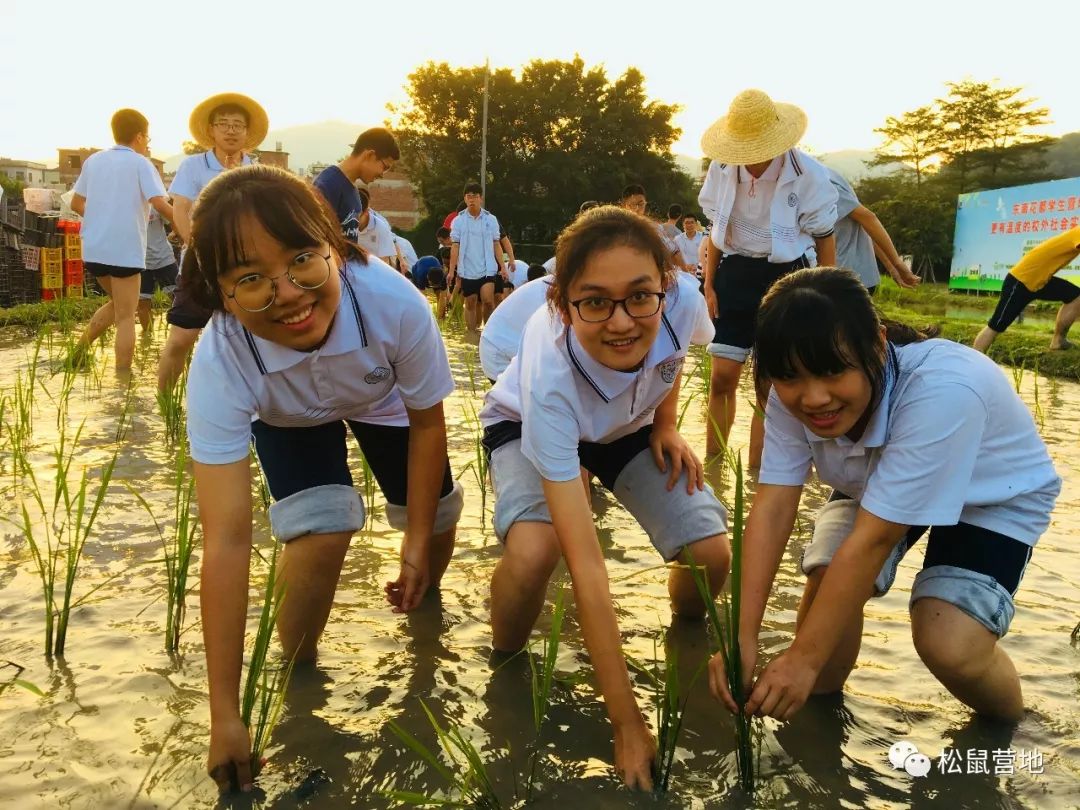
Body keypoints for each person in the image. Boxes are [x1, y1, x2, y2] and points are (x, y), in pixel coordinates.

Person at [183, 165, 463, 792]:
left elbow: (426, 425)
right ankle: (300, 669)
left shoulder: (394, 304)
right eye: (250, 279)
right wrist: (224, 715)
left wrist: (414, 541)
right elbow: (226, 543)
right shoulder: (223, 357)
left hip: (383, 400)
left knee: (438, 516)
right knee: (322, 526)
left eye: (302, 260)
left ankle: (426, 598)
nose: (286, 293)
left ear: (334, 246)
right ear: (221, 293)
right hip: (288, 413)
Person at [708, 267, 1060, 726]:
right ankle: (819, 721)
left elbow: (875, 539)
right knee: (824, 586)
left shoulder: (943, 392)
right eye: (790, 376)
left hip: (992, 494)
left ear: (876, 343)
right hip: (876, 480)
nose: (814, 399)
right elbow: (773, 506)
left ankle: (1014, 730)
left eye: (834, 370)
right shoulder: (787, 395)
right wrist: (742, 634)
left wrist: (804, 658)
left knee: (949, 644)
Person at [479, 206, 731, 790]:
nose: (621, 321)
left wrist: (666, 424)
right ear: (562, 304)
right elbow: (589, 566)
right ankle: (506, 661)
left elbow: (673, 360)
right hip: (525, 425)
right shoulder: (548, 380)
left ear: (664, 287)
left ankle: (685, 633)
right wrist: (626, 719)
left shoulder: (684, 300)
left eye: (639, 297)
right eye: (595, 302)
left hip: (629, 428)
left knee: (711, 553)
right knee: (537, 550)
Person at [698, 88, 838, 463]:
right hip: (736, 273)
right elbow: (715, 232)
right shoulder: (723, 168)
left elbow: (825, 239)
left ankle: (759, 473)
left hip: (787, 278)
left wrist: (827, 300)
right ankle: (714, 465)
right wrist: (709, 285)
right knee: (721, 377)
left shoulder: (809, 174)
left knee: (769, 387)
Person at [157, 92, 268, 393]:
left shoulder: (255, 169)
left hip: (245, 265)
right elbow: (180, 209)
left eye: (237, 125)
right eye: (224, 124)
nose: (231, 130)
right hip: (199, 263)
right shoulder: (193, 166)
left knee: (251, 342)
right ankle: (164, 404)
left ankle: (249, 407)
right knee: (181, 339)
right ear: (211, 131)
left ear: (247, 132)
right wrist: (197, 248)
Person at [69, 108, 172, 370]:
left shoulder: (94, 161)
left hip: (94, 249)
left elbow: (76, 202)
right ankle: (123, 383)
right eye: (147, 138)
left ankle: (78, 353)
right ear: (139, 136)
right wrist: (188, 226)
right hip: (124, 251)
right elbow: (159, 203)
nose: (148, 144)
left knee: (118, 305)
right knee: (127, 316)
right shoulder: (140, 163)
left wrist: (102, 219)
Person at [974, 226, 1080, 353]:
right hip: (1020, 281)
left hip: (1040, 281)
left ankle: (1058, 341)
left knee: (1075, 296)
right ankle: (975, 358)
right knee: (996, 326)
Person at [827, 167, 919, 294]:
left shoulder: (818, 181)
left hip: (844, 279)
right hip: (853, 276)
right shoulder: (827, 173)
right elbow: (863, 223)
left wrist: (897, 264)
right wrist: (892, 267)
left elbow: (867, 218)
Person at [312, 127, 399, 244]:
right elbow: (315, 242)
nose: (382, 174)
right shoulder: (328, 185)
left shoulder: (353, 191)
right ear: (370, 155)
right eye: (385, 167)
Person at [448, 182, 503, 333]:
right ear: (465, 199)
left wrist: (503, 266)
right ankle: (471, 335)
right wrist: (451, 271)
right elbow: (455, 246)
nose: (472, 199)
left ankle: (488, 333)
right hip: (467, 269)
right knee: (470, 302)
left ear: (481, 199)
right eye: (469, 196)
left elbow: (496, 243)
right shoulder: (458, 221)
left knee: (488, 301)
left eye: (475, 196)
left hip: (488, 269)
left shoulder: (490, 219)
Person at [138, 207, 180, 330]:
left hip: (164, 258)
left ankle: (180, 333)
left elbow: (175, 218)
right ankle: (147, 337)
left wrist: (177, 235)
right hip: (140, 261)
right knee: (142, 303)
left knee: (177, 298)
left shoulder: (157, 204)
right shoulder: (126, 206)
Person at [674, 213, 704, 278]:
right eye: (687, 223)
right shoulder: (677, 239)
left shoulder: (703, 237)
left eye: (692, 222)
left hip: (700, 273)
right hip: (684, 273)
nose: (689, 225)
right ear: (683, 225)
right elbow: (674, 257)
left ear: (696, 224)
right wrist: (685, 266)